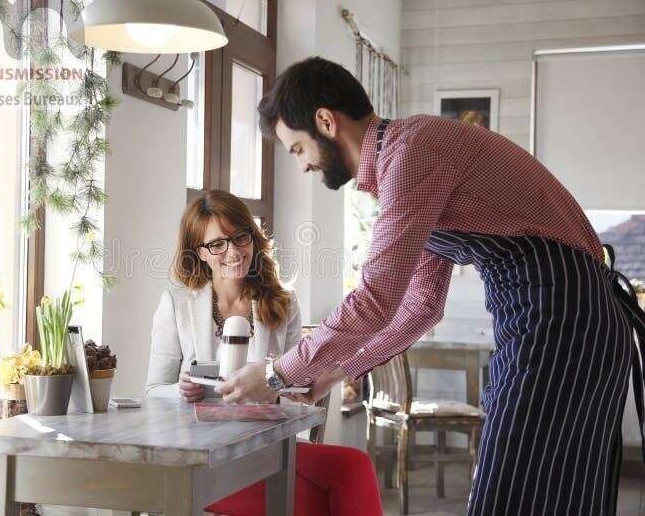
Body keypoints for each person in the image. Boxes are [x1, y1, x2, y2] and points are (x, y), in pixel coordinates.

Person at [217, 56, 645, 515]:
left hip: (563, 321)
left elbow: (375, 299)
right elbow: (420, 306)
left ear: (325, 121)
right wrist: (331, 373)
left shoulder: (411, 155)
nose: (302, 166)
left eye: (298, 149)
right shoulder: (410, 158)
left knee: (510, 497)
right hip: (564, 316)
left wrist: (277, 373)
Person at [146, 189, 383, 516]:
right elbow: (153, 391)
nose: (233, 251)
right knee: (323, 501)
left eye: (240, 237)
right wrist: (181, 390)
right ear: (200, 252)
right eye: (217, 244)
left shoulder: (283, 302)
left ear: (252, 237)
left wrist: (278, 386)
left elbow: (298, 391)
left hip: (267, 448)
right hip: (201, 456)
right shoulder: (176, 304)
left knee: (354, 466)